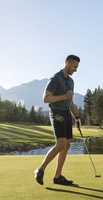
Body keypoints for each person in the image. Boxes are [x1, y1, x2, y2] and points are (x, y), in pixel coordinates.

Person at [34, 54, 81, 186]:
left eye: (77, 67)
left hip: (66, 114)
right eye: (74, 66)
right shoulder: (56, 78)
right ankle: (40, 169)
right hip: (56, 112)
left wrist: (77, 117)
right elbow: (46, 98)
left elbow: (70, 101)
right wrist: (63, 96)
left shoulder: (71, 81)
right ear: (67, 63)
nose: (76, 69)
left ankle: (58, 176)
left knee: (66, 145)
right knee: (60, 144)